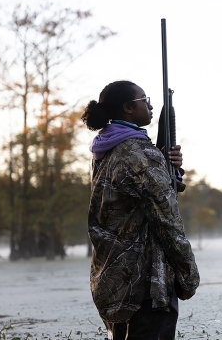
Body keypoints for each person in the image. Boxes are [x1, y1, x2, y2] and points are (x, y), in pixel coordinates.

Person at [81, 80, 200, 340]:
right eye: (144, 100)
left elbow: (134, 196)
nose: (150, 105)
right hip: (146, 283)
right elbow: (167, 218)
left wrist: (169, 169)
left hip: (113, 279)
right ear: (128, 108)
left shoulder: (107, 149)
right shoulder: (138, 152)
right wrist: (189, 273)